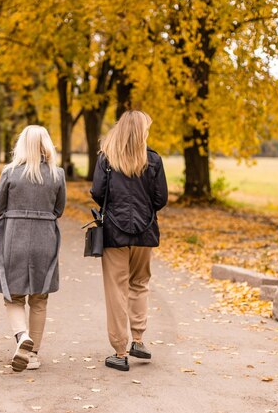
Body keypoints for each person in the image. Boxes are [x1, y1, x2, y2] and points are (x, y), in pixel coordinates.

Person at [90, 110, 168, 372]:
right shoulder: (154, 160)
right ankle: (138, 339)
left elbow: (97, 193)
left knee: (116, 290)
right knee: (139, 284)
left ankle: (120, 352)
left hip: (114, 233)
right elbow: (161, 199)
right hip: (145, 233)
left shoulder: (107, 159)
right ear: (142, 131)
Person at [0, 125, 66, 372]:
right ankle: (33, 355)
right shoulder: (57, 175)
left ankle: (22, 335)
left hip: (14, 237)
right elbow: (59, 210)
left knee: (13, 296)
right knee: (39, 297)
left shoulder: (10, 173)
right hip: (45, 238)